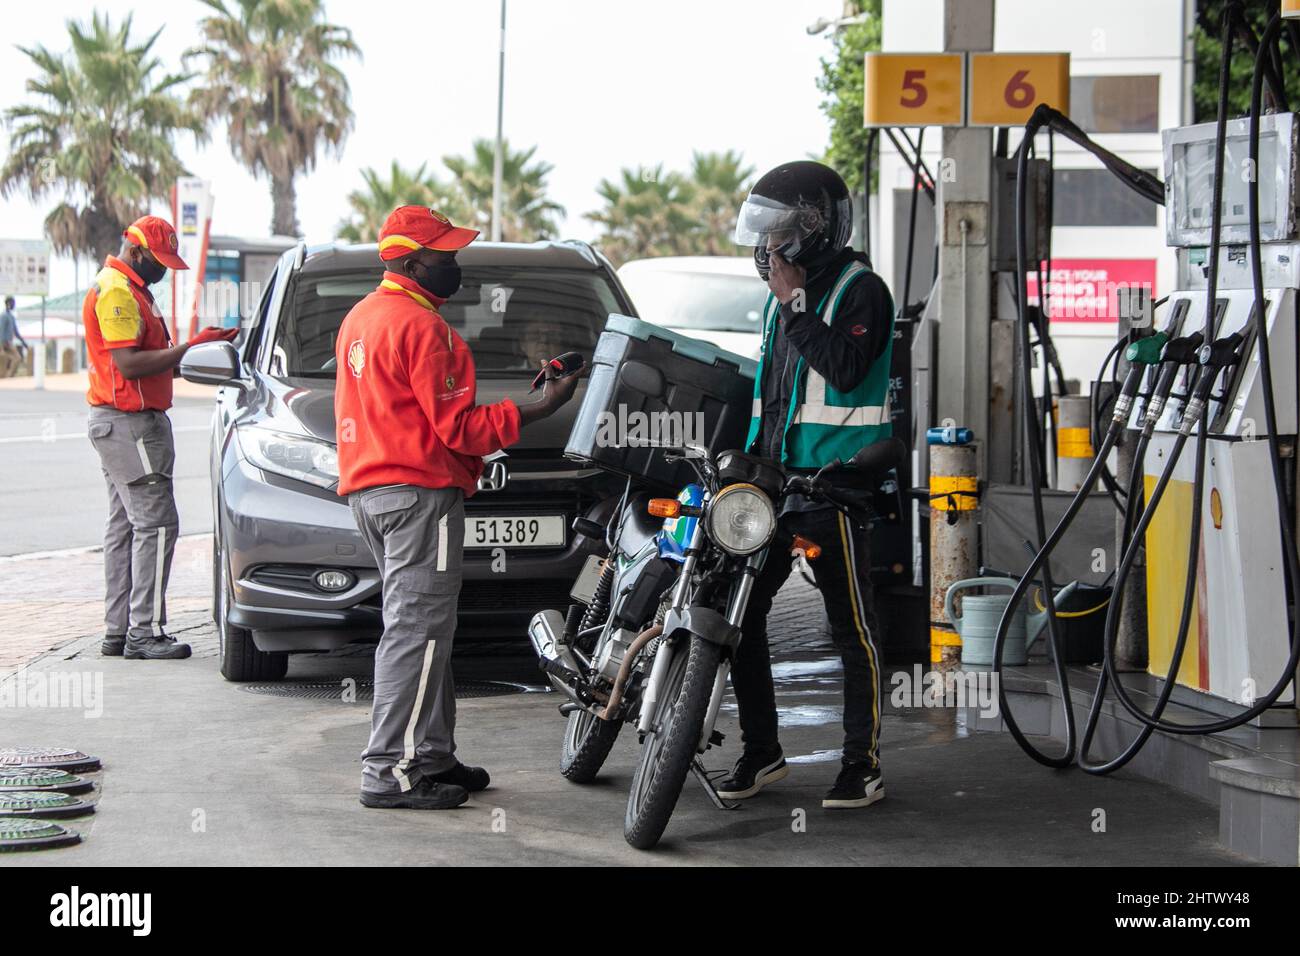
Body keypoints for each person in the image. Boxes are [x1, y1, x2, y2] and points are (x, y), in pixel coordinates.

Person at [334, 205, 580, 811]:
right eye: (445, 256)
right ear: (413, 262)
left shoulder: (361, 318)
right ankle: (387, 772)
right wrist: (540, 407)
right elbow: (459, 430)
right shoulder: (423, 328)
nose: (455, 266)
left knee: (424, 630)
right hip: (419, 497)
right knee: (416, 633)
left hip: (372, 494)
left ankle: (433, 756)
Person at [722, 161, 896, 809]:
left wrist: (795, 304)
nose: (767, 251)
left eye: (779, 236)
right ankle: (761, 750)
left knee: (853, 630)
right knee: (739, 618)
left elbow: (847, 371)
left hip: (833, 489)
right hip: (773, 489)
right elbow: (773, 397)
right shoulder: (782, 302)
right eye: (762, 238)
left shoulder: (861, 289)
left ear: (817, 230)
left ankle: (862, 765)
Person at [82, 215, 239, 660]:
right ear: (135, 252)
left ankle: (119, 630)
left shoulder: (131, 290)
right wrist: (191, 348)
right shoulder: (116, 290)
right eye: (159, 260)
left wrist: (198, 348)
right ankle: (144, 633)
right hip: (129, 425)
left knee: (124, 527)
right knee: (156, 525)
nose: (164, 269)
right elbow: (130, 365)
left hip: (121, 423)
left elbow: (154, 362)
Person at [0, 295, 28, 377]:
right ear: (8, 303)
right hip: (4, 342)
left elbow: (16, 332)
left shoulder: (11, 317)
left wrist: (23, 342)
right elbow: (1, 330)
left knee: (16, 358)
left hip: (9, 342)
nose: (14, 305)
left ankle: (8, 375)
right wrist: (1, 345)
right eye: (13, 303)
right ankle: (6, 376)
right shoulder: (4, 316)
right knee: (12, 358)